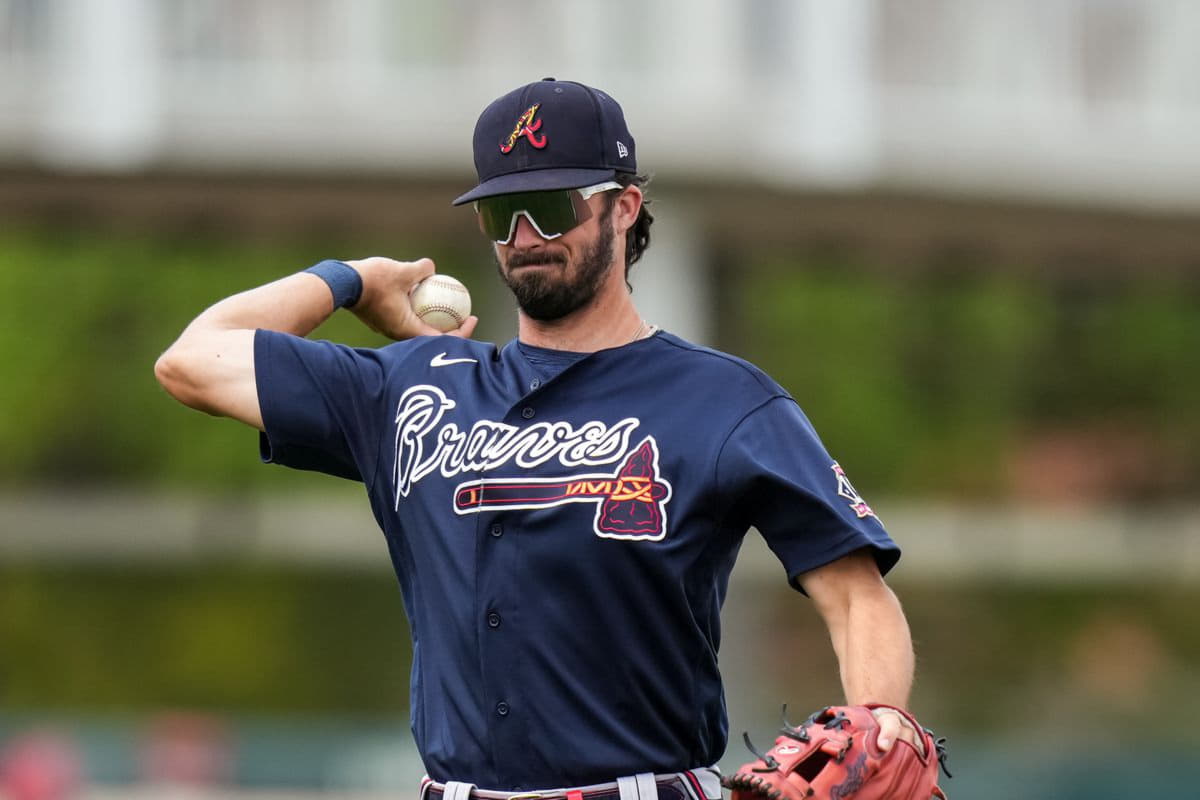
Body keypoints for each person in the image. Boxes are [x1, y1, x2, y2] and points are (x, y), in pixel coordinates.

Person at [155, 78, 923, 800]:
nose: (524, 235)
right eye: (501, 213)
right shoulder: (414, 387)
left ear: (624, 207)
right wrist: (350, 279)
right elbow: (192, 361)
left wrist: (879, 720)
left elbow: (856, 596)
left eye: (551, 205)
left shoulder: (725, 401)